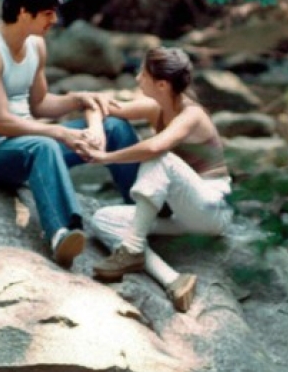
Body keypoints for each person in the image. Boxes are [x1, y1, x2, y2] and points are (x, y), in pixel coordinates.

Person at [0, 0, 140, 268]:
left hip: (30, 141)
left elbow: (40, 104)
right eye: (47, 13)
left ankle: (145, 214)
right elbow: (2, 122)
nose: (54, 20)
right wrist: (61, 133)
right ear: (23, 12)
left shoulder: (35, 45)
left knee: (114, 128)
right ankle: (62, 233)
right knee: (44, 146)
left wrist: (78, 99)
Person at [75, 45, 233, 313]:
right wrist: (95, 128)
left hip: (211, 208)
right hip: (181, 214)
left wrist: (105, 157)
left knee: (159, 156)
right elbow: (98, 105)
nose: (137, 78)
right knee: (103, 219)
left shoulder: (192, 115)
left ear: (161, 84)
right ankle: (172, 279)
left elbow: (155, 148)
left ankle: (132, 248)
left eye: (143, 74)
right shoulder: (155, 108)